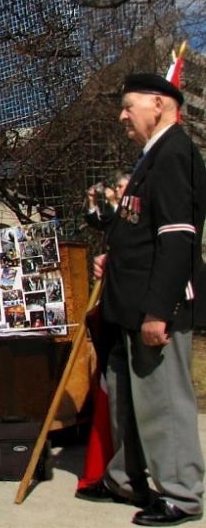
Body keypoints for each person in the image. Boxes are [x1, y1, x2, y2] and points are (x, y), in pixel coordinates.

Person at [78, 73, 206, 526]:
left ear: (158, 103)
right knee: (127, 401)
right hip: (125, 303)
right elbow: (138, 231)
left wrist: (159, 311)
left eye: (128, 106)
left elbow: (177, 240)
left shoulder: (174, 155)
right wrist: (113, 257)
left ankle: (181, 495)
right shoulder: (148, 159)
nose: (122, 115)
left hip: (154, 308)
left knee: (164, 402)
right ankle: (125, 480)